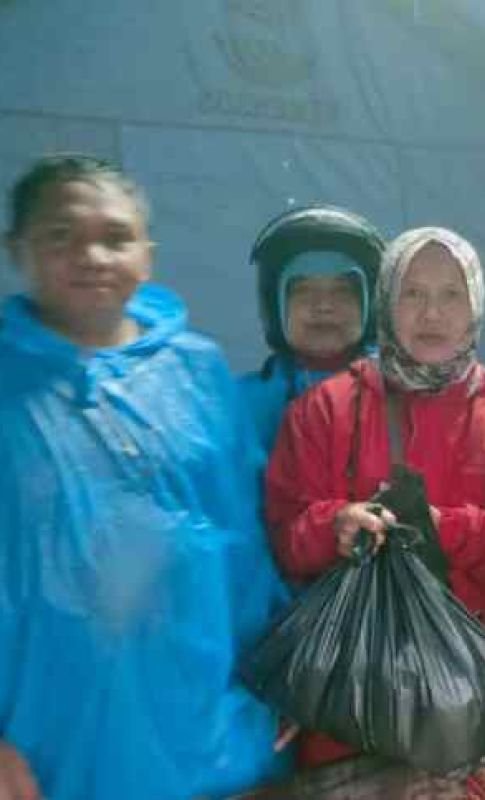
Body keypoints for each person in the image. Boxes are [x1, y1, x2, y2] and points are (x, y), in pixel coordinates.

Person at [0, 154, 286, 800]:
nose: (93, 255)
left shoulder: (197, 372)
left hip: (203, 727)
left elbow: (245, 543)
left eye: (116, 237)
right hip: (47, 736)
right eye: (61, 236)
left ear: (148, 255)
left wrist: (278, 678)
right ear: (16, 248)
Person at [265, 226, 485, 798]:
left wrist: (446, 528)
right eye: (412, 293)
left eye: (451, 294)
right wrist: (334, 525)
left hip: (472, 709)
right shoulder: (323, 410)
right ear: (385, 299)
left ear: (476, 304)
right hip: (351, 705)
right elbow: (285, 536)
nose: (432, 312)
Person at [241, 205, 384, 452]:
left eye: (342, 291)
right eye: (304, 291)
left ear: (369, 306)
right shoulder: (238, 410)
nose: (323, 306)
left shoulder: (405, 402)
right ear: (276, 306)